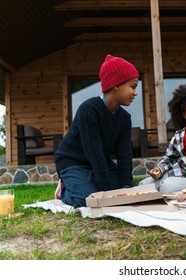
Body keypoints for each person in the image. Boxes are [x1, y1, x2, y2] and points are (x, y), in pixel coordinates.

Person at [55, 54, 139, 207]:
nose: (135, 93)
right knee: (89, 200)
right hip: (73, 162)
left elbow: (124, 155)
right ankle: (64, 189)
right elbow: (94, 153)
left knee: (132, 191)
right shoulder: (89, 109)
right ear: (116, 84)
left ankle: (92, 185)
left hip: (101, 163)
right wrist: (107, 194)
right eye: (132, 87)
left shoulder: (124, 118)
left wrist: (126, 188)